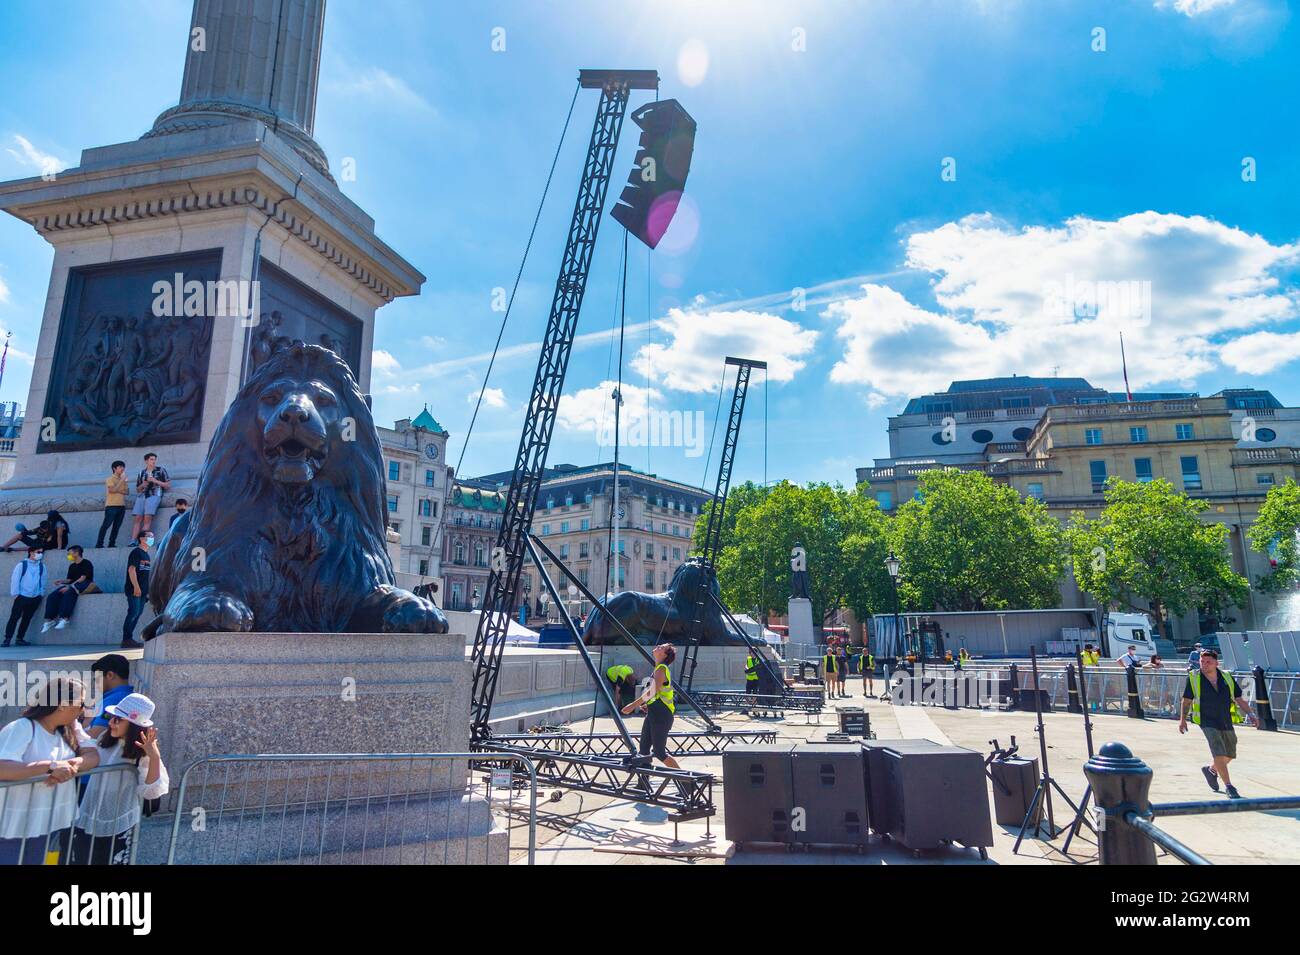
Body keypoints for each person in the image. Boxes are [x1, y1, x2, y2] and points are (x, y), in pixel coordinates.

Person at [0, 676, 100, 864]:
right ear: (63, 704)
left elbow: (93, 756)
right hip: (13, 824)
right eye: (82, 703)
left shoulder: (66, 730)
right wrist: (50, 767)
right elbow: (2, 767)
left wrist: (72, 765)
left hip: (44, 822)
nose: (83, 710)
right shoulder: (22, 727)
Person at [71, 692, 168, 865]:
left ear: (133, 725)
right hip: (90, 816)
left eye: (117, 719)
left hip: (120, 823)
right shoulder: (104, 739)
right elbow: (86, 747)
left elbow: (152, 791)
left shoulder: (142, 753)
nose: (110, 723)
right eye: (110, 717)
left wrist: (154, 757)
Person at [1180, 649, 1255, 800]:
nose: (1204, 665)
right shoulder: (1194, 677)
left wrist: (1251, 714)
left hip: (1225, 719)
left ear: (1216, 663)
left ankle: (1211, 770)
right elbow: (1187, 700)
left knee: (1230, 753)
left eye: (1208, 662)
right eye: (1202, 662)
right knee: (1218, 752)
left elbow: (1239, 698)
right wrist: (1182, 719)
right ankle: (1229, 786)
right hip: (1207, 720)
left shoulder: (1226, 677)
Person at [622, 643, 680, 770]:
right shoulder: (658, 668)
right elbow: (658, 694)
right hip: (655, 713)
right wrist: (649, 705)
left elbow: (652, 692)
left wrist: (632, 706)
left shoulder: (661, 669)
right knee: (644, 750)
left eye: (662, 647)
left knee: (659, 753)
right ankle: (643, 785)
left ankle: (686, 781)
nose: (658, 646)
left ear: (664, 654)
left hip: (661, 715)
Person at [40, 545, 96, 633]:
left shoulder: (86, 563)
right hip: (72, 585)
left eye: (70, 553)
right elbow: (70, 579)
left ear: (77, 553)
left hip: (84, 584)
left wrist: (70, 587)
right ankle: (49, 620)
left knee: (69, 592)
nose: (68, 555)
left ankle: (64, 618)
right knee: (53, 595)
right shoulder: (72, 566)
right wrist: (62, 581)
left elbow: (82, 578)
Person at [3, 546, 47, 647]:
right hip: (22, 596)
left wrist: (41, 594)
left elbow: (43, 580)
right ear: (31, 552)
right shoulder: (22, 565)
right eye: (38, 551)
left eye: (41, 552)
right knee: (14, 618)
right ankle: (7, 638)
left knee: (27, 618)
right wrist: (15, 594)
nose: (40, 554)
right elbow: (15, 579)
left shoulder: (42, 566)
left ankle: (20, 638)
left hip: (35, 597)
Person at [84, 654, 134, 740]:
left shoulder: (114, 700)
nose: (95, 683)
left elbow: (94, 735)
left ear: (110, 675)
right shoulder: (121, 696)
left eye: (97, 679)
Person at [129, 452, 170, 542]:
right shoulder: (141, 473)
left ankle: (142, 541)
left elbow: (167, 485)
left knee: (147, 518)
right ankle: (133, 540)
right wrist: (143, 484)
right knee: (138, 518)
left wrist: (155, 481)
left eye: (155, 459)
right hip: (141, 496)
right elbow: (138, 489)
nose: (153, 461)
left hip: (154, 494)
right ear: (146, 461)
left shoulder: (161, 470)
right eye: (151, 459)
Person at [121, 533, 152, 649]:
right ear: (141, 539)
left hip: (143, 591)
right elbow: (131, 570)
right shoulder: (136, 552)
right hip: (134, 589)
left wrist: (146, 590)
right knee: (133, 613)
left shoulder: (146, 555)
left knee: (137, 614)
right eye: (149, 537)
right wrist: (136, 586)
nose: (151, 539)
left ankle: (129, 639)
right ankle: (126, 639)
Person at [97, 460, 129, 548]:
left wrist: (121, 483)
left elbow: (127, 492)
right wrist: (121, 481)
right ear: (114, 468)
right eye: (120, 467)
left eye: (123, 467)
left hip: (121, 506)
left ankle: (112, 543)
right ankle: (99, 543)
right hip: (111, 506)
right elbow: (112, 490)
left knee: (116, 526)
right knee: (106, 525)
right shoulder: (109, 479)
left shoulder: (123, 480)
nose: (122, 469)